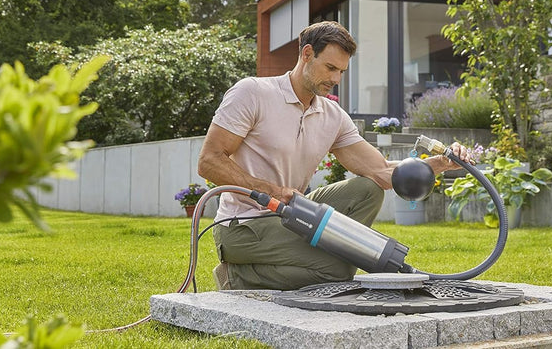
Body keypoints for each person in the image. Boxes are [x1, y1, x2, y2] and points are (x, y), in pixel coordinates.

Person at [198, 21, 467, 290]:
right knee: (337, 270)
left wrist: (440, 163)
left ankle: (327, 256)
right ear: (306, 54)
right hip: (241, 226)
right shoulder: (254, 93)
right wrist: (270, 191)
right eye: (330, 68)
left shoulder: (332, 116)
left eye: (341, 71)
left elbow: (381, 171)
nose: (336, 79)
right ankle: (236, 277)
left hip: (290, 214)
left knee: (368, 189)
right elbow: (209, 161)